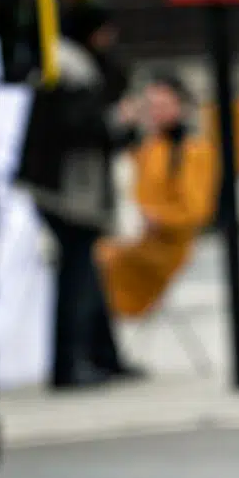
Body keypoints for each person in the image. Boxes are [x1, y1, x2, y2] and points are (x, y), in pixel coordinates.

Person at [15, 0, 139, 388]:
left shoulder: (76, 62)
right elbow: (82, 126)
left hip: (68, 186)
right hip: (67, 189)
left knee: (86, 270)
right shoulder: (71, 68)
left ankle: (103, 354)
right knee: (77, 271)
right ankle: (69, 364)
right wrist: (119, 124)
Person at [96, 70, 218, 321]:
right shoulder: (151, 145)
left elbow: (197, 210)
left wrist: (159, 217)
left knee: (94, 264)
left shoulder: (192, 150)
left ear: (181, 107)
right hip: (141, 239)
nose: (154, 112)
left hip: (165, 247)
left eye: (162, 105)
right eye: (150, 105)